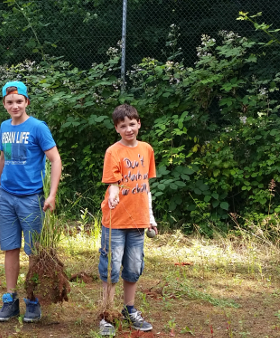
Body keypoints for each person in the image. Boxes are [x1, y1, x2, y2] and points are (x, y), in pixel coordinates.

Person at [0, 81, 62, 323]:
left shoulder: (37, 127)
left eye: (19, 101)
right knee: (10, 248)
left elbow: (55, 160)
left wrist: (51, 194)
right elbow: (3, 159)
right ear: (4, 104)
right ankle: (10, 300)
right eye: (10, 102)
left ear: (27, 102)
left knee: (33, 251)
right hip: (7, 197)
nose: (15, 105)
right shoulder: (4, 127)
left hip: (32, 198)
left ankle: (33, 299)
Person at [98, 104, 157, 336]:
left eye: (132, 124)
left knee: (133, 268)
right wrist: (113, 191)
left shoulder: (147, 149)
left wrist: (150, 216)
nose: (129, 129)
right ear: (117, 129)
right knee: (111, 269)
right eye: (123, 126)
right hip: (114, 221)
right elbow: (113, 182)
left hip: (138, 221)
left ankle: (129, 310)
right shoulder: (113, 151)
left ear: (139, 123)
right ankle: (106, 314)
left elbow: (146, 186)